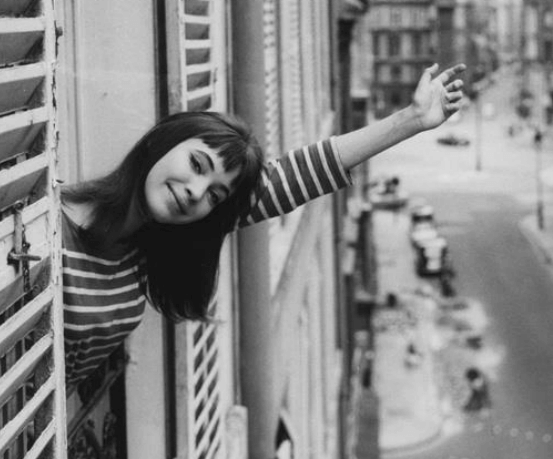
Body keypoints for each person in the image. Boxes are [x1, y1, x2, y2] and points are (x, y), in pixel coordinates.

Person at [61, 63, 466, 387]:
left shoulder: (146, 251)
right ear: (159, 143)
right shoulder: (50, 225)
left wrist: (411, 120)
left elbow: (293, 177)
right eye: (197, 164)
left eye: (216, 195)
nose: (196, 191)